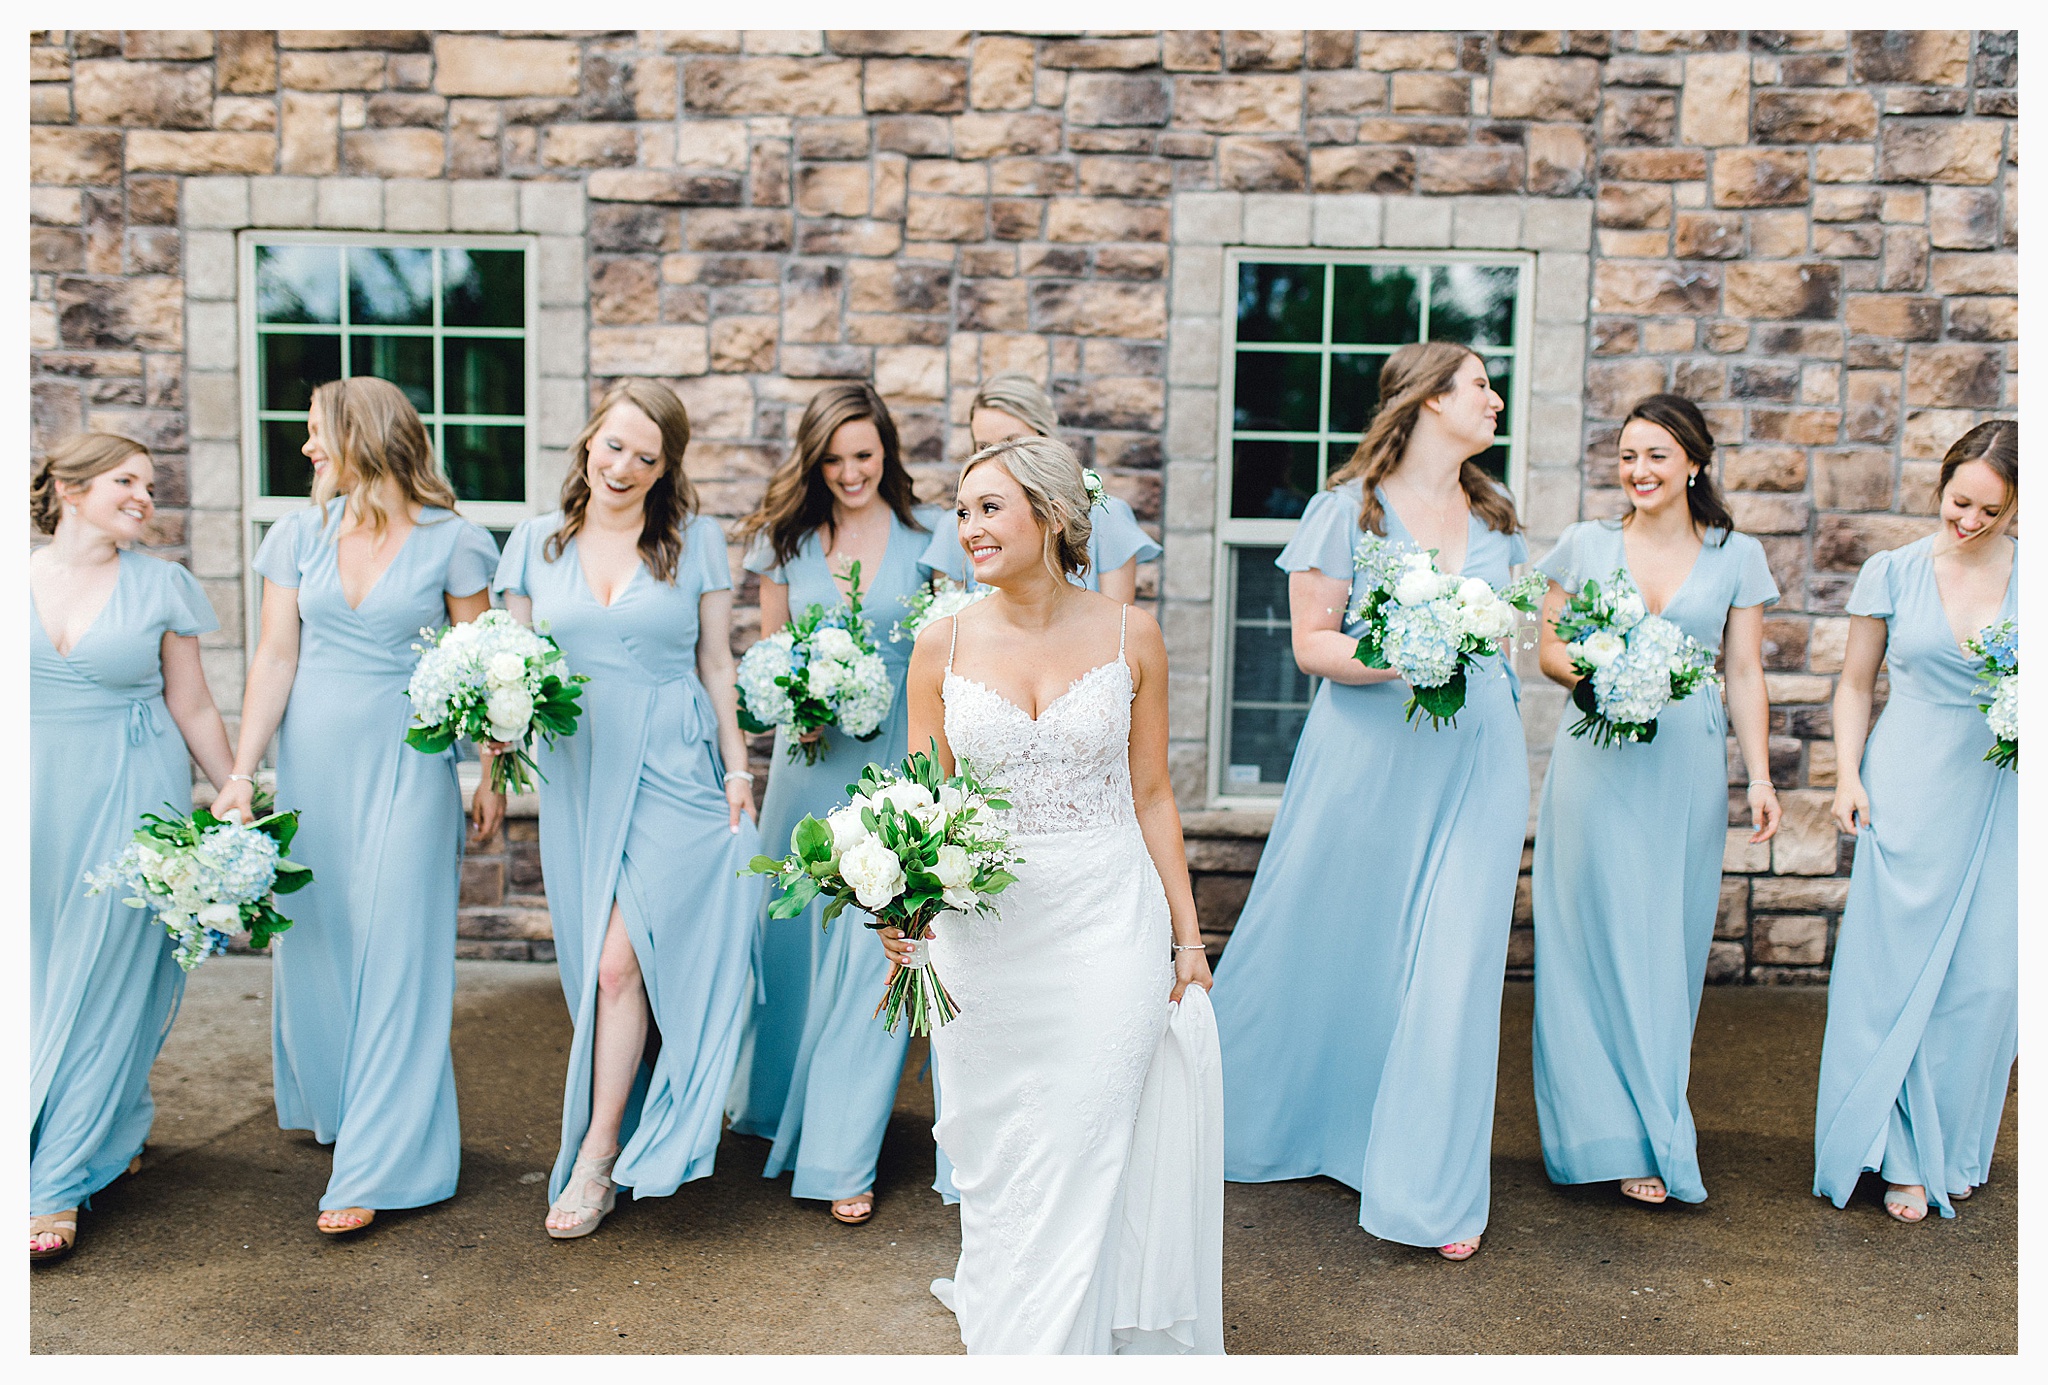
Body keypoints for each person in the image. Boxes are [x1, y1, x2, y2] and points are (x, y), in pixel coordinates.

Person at [879, 434, 1223, 1353]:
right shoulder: (938, 640)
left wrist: (1188, 939)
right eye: (962, 510)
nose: (969, 528)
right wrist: (902, 914)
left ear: (1054, 515)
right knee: (1001, 1158)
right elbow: (922, 803)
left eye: (990, 506)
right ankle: (1015, 1324)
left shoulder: (1128, 633)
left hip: (1108, 918)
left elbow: (1153, 792)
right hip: (985, 939)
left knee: (1085, 1138)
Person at [1207, 342, 1528, 1262]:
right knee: (1332, 937)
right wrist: (1408, 651)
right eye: (1479, 386)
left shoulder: (1499, 519)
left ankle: (1429, 1186)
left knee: (1456, 963)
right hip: (1367, 759)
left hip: (1479, 759)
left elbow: (1502, 645)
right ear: (1429, 400)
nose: (1494, 400)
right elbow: (1313, 644)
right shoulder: (1345, 510)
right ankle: (1294, 1120)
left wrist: (1472, 648)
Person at [212, 377, 500, 1235]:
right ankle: (345, 1110)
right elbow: (273, 658)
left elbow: (486, 668)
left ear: (366, 437)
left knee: (401, 951)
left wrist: (493, 770)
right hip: (313, 766)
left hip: (409, 767)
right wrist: (241, 770)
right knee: (324, 943)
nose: (306, 448)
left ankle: (383, 1162)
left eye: (317, 433)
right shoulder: (295, 535)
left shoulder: (457, 541)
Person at [483, 380, 761, 1239]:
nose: (625, 467)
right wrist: (493, 755)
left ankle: (599, 1155)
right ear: (588, 442)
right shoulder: (535, 543)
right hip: (581, 771)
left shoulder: (696, 542)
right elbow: (510, 665)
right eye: (614, 446)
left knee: (617, 966)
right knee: (596, 974)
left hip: (676, 765)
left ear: (667, 466)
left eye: (647, 456)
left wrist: (739, 768)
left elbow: (718, 663)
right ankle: (636, 1116)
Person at [1529, 394, 1782, 1208]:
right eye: (1628, 455)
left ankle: (1654, 1122)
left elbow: (1742, 672)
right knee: (1588, 938)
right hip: (1597, 759)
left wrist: (1763, 776)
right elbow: (1549, 650)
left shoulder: (1738, 555)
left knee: (1664, 945)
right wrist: (1604, 679)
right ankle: (1597, 1138)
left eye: (1657, 456)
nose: (1639, 471)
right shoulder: (1585, 544)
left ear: (1694, 463)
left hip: (1686, 765)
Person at [726, 384, 940, 1226]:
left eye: (865, 454)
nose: (852, 472)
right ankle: (778, 1108)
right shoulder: (786, 544)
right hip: (808, 768)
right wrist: (799, 699)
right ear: (813, 462)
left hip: (887, 772)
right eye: (835, 458)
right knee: (793, 947)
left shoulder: (932, 541)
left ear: (887, 450)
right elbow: (771, 656)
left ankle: (842, 1149)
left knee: (869, 955)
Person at [31, 434, 236, 1261]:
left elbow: (193, 707)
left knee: (109, 980)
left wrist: (234, 791)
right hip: (34, 802)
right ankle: (105, 1128)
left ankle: (55, 1180)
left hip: (130, 802)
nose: (146, 496)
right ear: (70, 488)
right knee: (39, 977)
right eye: (127, 480)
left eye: (151, 485)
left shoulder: (162, 585)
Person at [1815, 419, 2018, 1224]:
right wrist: (1846, 775)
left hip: (2004, 792)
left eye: (1990, 512)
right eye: (1957, 502)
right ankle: (1898, 1155)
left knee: (1988, 977)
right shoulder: (1892, 570)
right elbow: (1855, 683)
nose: (1968, 521)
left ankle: (1953, 1146)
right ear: (1940, 487)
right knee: (1891, 975)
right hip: (1907, 779)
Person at [919, 373, 1160, 604]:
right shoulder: (959, 529)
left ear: (1045, 436)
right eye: (984, 447)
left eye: (1013, 444)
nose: (998, 458)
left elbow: (1117, 630)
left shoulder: (1107, 516)